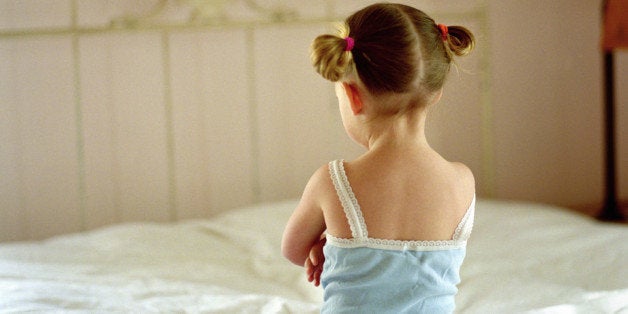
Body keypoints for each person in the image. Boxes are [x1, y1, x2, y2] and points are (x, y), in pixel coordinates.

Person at [281, 2, 476, 313]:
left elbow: (292, 249)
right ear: (436, 92)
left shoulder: (333, 181)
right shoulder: (462, 180)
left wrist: (329, 245)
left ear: (353, 96)